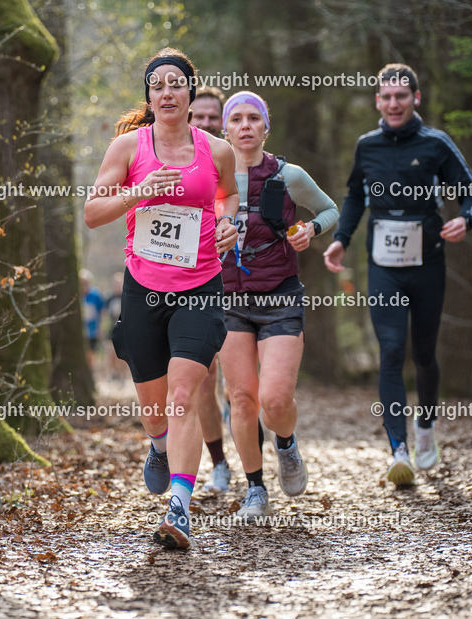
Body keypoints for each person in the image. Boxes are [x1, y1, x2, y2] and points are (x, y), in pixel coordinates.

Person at [84, 48, 238, 549]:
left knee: (182, 396)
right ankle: (158, 447)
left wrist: (230, 222)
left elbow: (229, 196)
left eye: (176, 83)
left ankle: (179, 506)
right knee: (156, 413)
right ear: (149, 96)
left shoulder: (216, 151)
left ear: (191, 91)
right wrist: (140, 192)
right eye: (158, 85)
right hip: (144, 288)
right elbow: (92, 212)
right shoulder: (128, 148)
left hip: (200, 285)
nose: (167, 92)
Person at [323, 63, 472, 486]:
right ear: (377, 101)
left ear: (416, 99)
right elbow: (356, 195)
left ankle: (426, 424)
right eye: (386, 97)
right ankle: (399, 449)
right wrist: (342, 237)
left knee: (425, 354)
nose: (394, 103)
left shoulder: (435, 143)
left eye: (402, 96)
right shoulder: (367, 146)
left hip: (428, 262)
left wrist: (466, 220)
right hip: (383, 267)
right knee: (392, 350)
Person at [217, 91, 339, 522]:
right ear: (225, 128)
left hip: (280, 297)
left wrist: (310, 230)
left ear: (266, 128)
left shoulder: (288, 175)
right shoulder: (211, 174)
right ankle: (255, 489)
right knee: (243, 399)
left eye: (254, 118)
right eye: (237, 119)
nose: (245, 125)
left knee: (274, 399)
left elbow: (330, 210)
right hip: (229, 300)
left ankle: (285, 444)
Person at [190, 85, 232, 495]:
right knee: (204, 376)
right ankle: (219, 463)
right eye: (198, 117)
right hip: (197, 278)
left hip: (242, 283)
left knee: (241, 380)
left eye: (211, 117)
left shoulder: (228, 158)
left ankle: (254, 460)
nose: (204, 123)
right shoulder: (179, 159)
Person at [79, 269, 105, 371]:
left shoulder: (95, 295)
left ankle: (90, 372)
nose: (84, 285)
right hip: (80, 331)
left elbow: (102, 312)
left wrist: (100, 328)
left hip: (93, 330)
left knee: (91, 354)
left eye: (86, 282)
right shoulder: (77, 295)